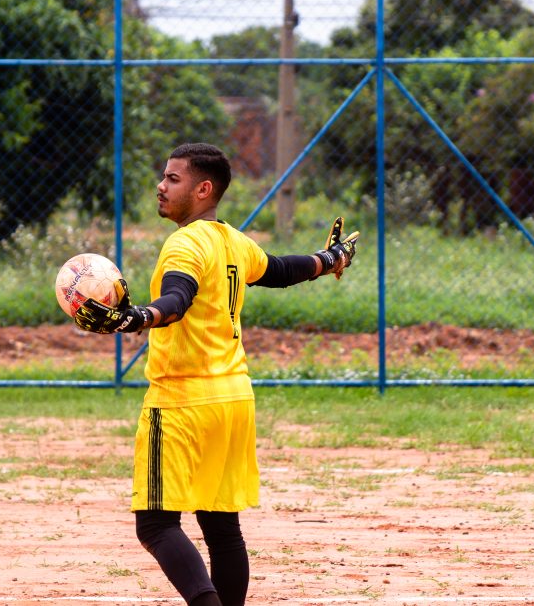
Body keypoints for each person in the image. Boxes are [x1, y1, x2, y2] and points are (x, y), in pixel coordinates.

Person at [74, 143, 358, 606]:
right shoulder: (230, 240)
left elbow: (177, 298)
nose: (161, 187)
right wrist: (330, 260)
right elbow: (281, 270)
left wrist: (138, 317)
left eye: (173, 179)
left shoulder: (184, 243)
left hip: (183, 403)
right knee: (222, 527)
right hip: (232, 401)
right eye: (163, 177)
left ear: (204, 189)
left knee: (156, 524)